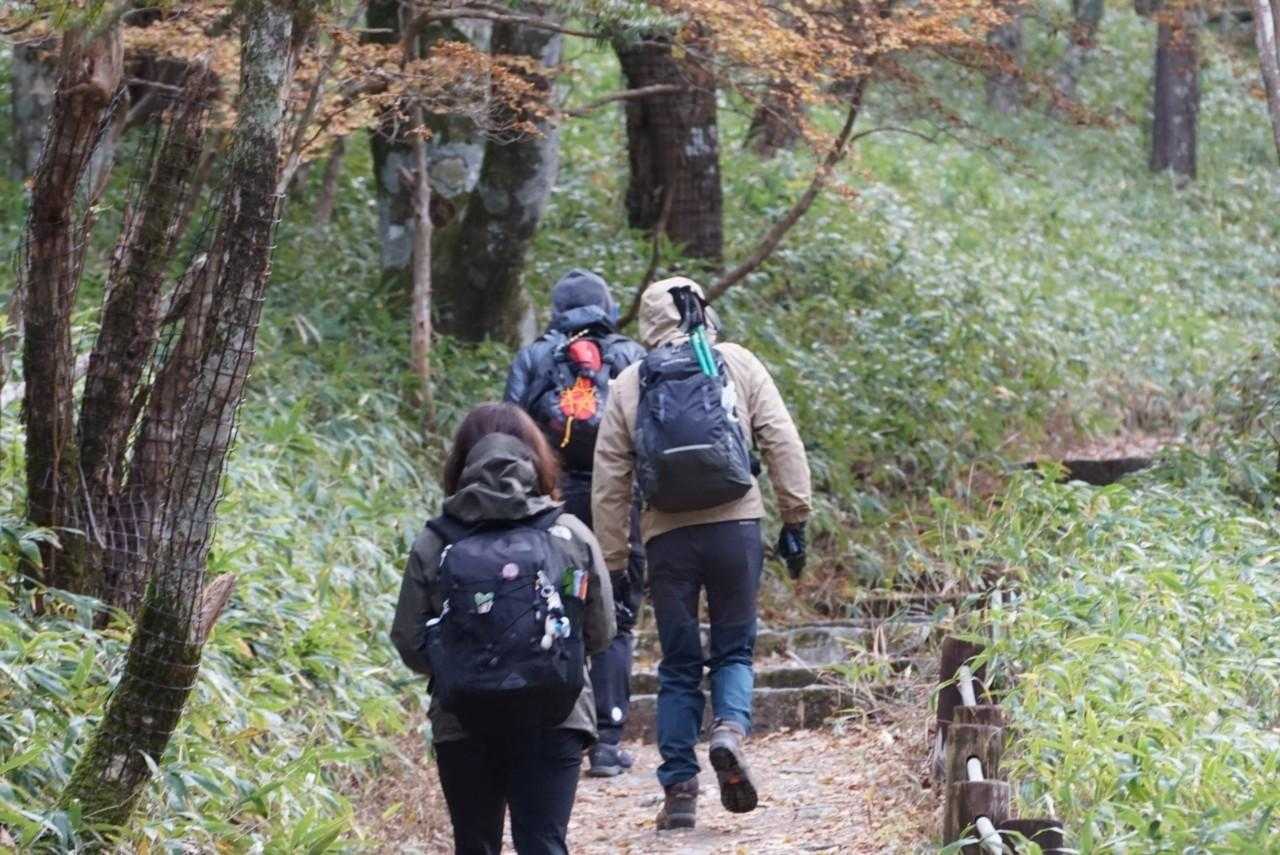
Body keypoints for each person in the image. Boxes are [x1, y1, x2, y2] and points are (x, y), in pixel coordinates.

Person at [591, 276, 812, 830]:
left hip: (667, 537)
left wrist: (614, 563)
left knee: (679, 664)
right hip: (736, 525)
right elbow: (781, 439)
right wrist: (795, 518)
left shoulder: (630, 381)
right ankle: (729, 730)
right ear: (702, 312)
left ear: (648, 324)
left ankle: (680, 791)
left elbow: (609, 481)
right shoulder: (737, 361)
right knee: (734, 649)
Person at [391, 403, 616, 855]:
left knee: (475, 845)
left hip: (463, 719)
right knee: (543, 843)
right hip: (557, 712)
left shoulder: (436, 541)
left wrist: (467, 663)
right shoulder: (569, 534)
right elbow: (601, 631)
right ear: (538, 459)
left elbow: (410, 641)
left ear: (461, 463)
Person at [504, 269, 647, 777]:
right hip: (619, 500)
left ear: (556, 310)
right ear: (608, 308)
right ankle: (607, 741)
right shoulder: (630, 356)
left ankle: (556, 734)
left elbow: (509, 433)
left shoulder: (535, 358)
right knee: (618, 615)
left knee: (553, 609)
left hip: (552, 505)